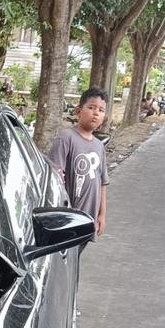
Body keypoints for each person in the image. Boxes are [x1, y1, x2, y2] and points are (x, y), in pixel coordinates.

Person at [48, 86, 109, 237]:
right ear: (78, 111)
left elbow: (102, 182)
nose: (96, 113)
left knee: (78, 252)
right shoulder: (66, 139)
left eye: (101, 110)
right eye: (91, 107)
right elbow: (54, 178)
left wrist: (101, 215)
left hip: (89, 218)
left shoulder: (99, 146)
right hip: (68, 217)